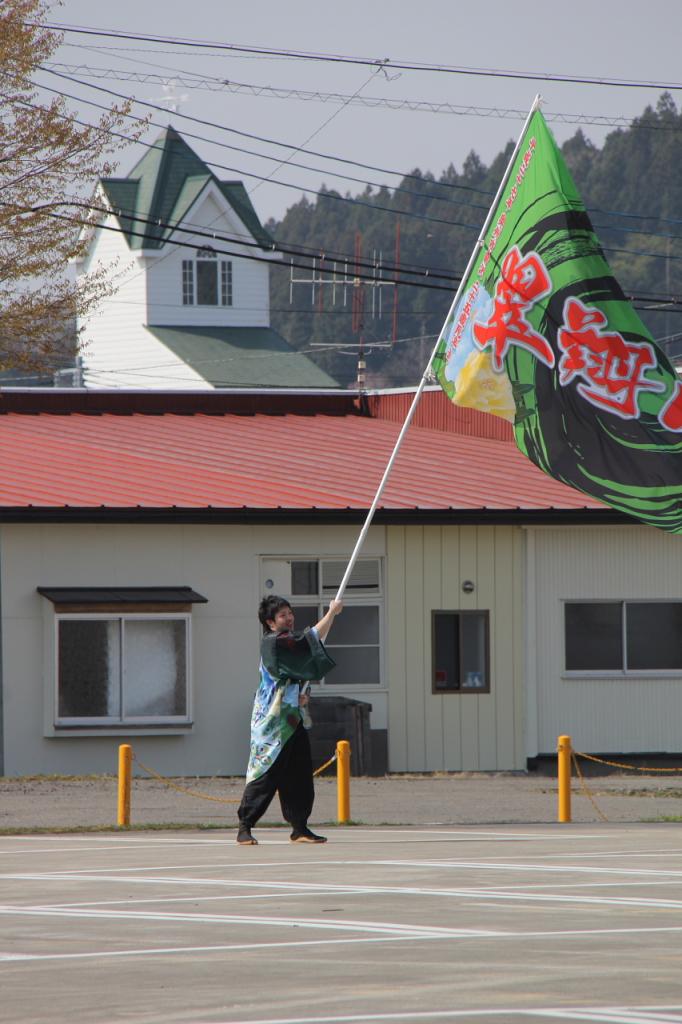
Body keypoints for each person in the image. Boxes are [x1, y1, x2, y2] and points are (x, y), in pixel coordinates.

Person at [236, 595, 343, 845]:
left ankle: (299, 827)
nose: (289, 618)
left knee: (299, 774)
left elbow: (298, 670)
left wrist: (300, 698)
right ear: (271, 623)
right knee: (266, 773)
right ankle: (245, 825)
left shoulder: (287, 643)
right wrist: (332, 613)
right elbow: (309, 642)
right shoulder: (274, 643)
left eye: (290, 613)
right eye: (283, 615)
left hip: (292, 720)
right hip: (272, 725)